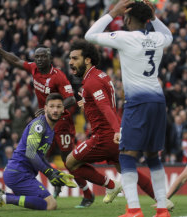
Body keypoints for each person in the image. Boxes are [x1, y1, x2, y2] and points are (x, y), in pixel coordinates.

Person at [0, 31, 93, 208]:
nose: (39, 59)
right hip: (45, 120)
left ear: (50, 58)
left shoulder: (58, 76)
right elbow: (15, 60)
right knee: (37, 152)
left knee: (69, 159)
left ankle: (87, 193)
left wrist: (53, 108)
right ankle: (46, 186)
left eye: (43, 56)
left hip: (61, 121)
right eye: (37, 56)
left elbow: (71, 99)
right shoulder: (33, 68)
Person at [85, 0, 173, 216]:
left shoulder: (125, 37)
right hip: (158, 101)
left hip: (138, 102)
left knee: (126, 155)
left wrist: (110, 13)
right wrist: (155, 18)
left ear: (126, 18)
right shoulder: (158, 38)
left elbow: (89, 35)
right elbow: (169, 36)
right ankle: (162, 209)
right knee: (153, 156)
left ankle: (133, 209)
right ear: (148, 19)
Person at [66, 39, 172, 208]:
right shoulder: (100, 75)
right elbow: (102, 102)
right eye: (70, 58)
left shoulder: (92, 81)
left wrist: (117, 130)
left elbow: (106, 107)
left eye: (75, 58)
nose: (71, 62)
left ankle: (111, 185)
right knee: (128, 170)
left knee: (70, 162)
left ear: (87, 60)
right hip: (114, 135)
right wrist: (87, 103)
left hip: (105, 137)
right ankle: (161, 200)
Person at [0, 93, 76, 211]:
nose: (55, 110)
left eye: (59, 107)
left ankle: (2, 196)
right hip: (18, 173)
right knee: (51, 205)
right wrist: (49, 173)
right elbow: (30, 153)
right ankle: (3, 198)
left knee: (43, 203)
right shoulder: (39, 125)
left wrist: (54, 173)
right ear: (45, 108)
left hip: (23, 173)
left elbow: (40, 156)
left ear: (63, 109)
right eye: (52, 106)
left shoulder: (50, 128)